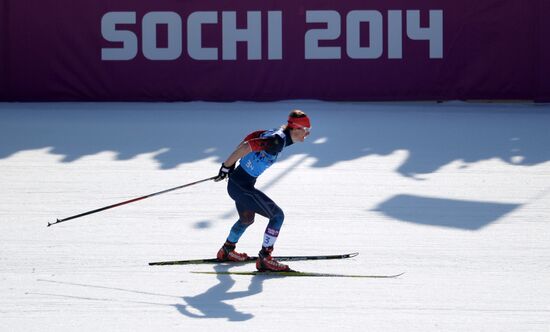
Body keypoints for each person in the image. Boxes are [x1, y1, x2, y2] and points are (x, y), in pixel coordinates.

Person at [214, 110, 311, 272]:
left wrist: (231, 167)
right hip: (241, 186)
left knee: (246, 219)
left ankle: (226, 251)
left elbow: (253, 135)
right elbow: (247, 146)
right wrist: (227, 166)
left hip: (239, 184)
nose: (308, 133)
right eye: (306, 129)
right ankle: (265, 258)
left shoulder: (280, 136)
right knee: (277, 216)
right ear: (295, 128)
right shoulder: (277, 140)